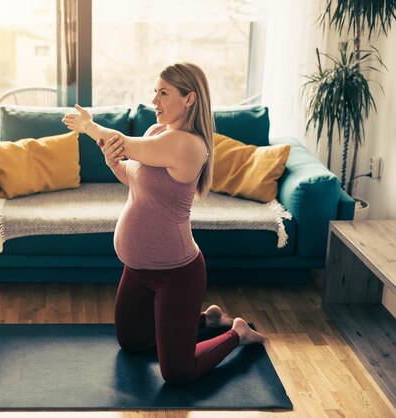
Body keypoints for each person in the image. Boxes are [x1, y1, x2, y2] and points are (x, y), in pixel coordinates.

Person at [62, 62, 264, 386]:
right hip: (137, 268)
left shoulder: (189, 144)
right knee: (131, 342)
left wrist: (91, 128)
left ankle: (237, 333)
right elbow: (134, 176)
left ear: (189, 99)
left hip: (176, 274)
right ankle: (207, 319)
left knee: (178, 374)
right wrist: (112, 160)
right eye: (155, 92)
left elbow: (125, 144)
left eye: (164, 93)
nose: (154, 101)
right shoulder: (157, 132)